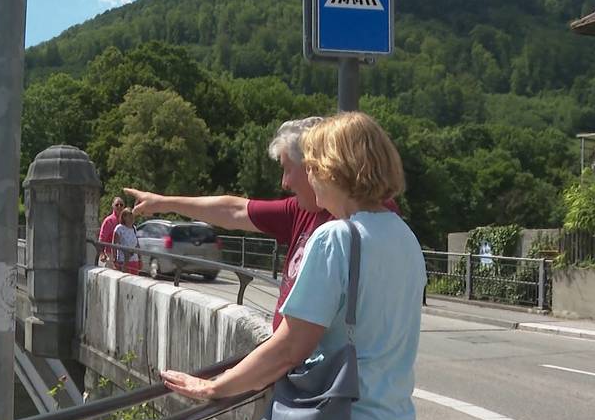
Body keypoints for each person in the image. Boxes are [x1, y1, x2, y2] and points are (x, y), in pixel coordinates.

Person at [161, 112, 426, 420]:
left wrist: (214, 387)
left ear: (335, 169)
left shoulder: (335, 239)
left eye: (315, 165)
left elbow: (289, 347)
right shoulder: (405, 238)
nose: (306, 179)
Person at [126, 116, 399, 330]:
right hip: (303, 376)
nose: (284, 182)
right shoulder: (300, 210)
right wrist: (163, 202)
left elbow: (295, 344)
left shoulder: (370, 219)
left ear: (315, 166)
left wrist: (224, 384)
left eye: (287, 168)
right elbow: (233, 210)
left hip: (324, 382)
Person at [112, 208, 142, 275]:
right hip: (123, 260)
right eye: (130, 216)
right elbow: (114, 245)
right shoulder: (119, 228)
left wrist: (140, 258)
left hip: (134, 260)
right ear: (124, 217)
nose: (132, 218)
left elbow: (137, 244)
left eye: (133, 216)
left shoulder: (134, 228)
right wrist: (114, 259)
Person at [98, 196, 125, 267]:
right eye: (117, 205)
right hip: (110, 255)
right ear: (113, 206)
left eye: (121, 205)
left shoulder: (125, 221)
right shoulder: (108, 221)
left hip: (123, 255)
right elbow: (101, 239)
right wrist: (102, 253)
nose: (119, 206)